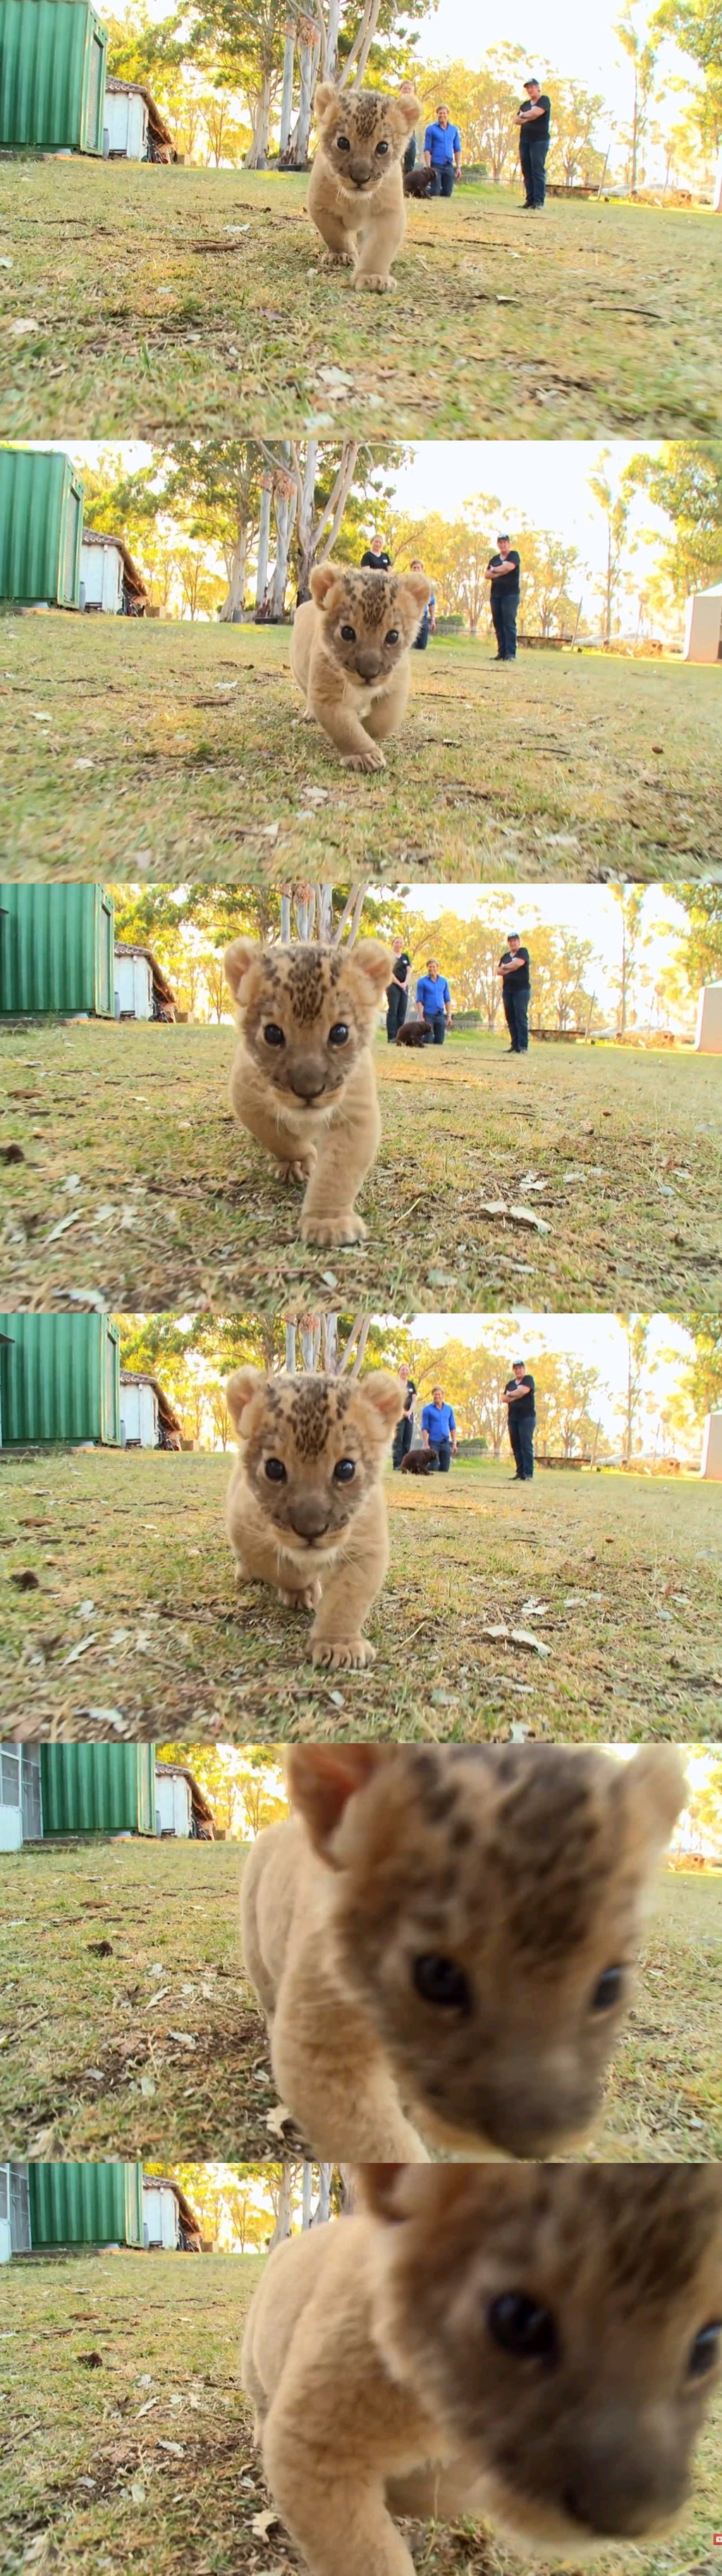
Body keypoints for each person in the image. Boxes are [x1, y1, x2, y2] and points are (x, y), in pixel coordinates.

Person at [484, 534, 520, 663]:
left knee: (509, 623)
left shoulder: (514, 556)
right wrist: (499, 570)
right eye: (500, 542)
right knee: (498, 623)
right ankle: (502, 652)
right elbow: (487, 574)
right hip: (496, 595)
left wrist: (496, 570)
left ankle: (511, 653)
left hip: (511, 595)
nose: (503, 544)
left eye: (505, 542)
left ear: (509, 544)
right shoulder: (494, 559)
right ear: (498, 544)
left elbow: (509, 567)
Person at [517, 78, 551, 212]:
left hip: (540, 141)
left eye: (532, 87)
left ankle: (539, 201)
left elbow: (537, 113)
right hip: (525, 140)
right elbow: (516, 120)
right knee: (527, 170)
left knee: (537, 170)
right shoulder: (525, 104)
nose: (530, 90)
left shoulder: (544, 100)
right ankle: (530, 199)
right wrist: (529, 116)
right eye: (528, 88)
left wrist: (525, 115)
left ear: (538, 87)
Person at [497, 931, 531, 1055]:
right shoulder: (505, 956)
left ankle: (523, 1046)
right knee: (510, 1018)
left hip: (522, 990)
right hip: (508, 990)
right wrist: (510, 966)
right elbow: (498, 971)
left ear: (519, 941)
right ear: (508, 943)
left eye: (515, 940)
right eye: (511, 941)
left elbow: (518, 964)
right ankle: (514, 1044)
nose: (513, 943)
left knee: (520, 1017)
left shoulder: (523, 952)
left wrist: (506, 967)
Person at [503, 1360, 537, 1481]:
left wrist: (511, 1394)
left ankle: (528, 1473)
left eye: (520, 1368)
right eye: (516, 1369)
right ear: (514, 1370)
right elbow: (504, 1399)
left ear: (524, 1369)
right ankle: (520, 1472)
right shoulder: (510, 1383)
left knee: (526, 1445)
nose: (518, 1371)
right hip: (513, 1418)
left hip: (527, 1418)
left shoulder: (528, 1379)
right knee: (516, 1446)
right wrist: (516, 1394)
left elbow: (523, 1391)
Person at [423, 103, 461, 197]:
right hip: (436, 165)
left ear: (448, 115)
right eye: (440, 113)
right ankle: (422, 189)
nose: (442, 115)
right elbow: (427, 149)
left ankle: (436, 187)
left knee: (447, 194)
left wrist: (459, 166)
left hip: (449, 166)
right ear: (437, 115)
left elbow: (457, 149)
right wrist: (429, 168)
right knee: (434, 192)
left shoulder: (454, 130)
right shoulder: (431, 129)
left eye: (444, 113)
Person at [421, 1384, 458, 1471]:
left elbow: (452, 1427)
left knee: (445, 1469)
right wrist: (426, 1444)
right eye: (435, 1394)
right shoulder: (427, 1409)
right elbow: (424, 1428)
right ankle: (423, 1468)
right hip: (434, 1442)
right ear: (433, 1396)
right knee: (433, 1467)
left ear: (442, 1395)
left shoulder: (449, 1409)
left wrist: (454, 1443)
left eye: (439, 1394)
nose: (437, 1396)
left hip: (445, 1442)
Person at [415, 957, 452, 1043]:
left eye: (433, 967)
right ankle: (417, 1039)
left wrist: (449, 1015)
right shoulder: (422, 982)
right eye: (430, 967)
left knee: (439, 1041)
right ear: (427, 968)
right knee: (428, 1040)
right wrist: (421, 1017)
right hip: (428, 1015)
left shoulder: (444, 981)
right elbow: (419, 1000)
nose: (431, 969)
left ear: (437, 968)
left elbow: (447, 999)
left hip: (440, 1014)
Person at [386, 936, 411, 1042]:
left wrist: (405, 983)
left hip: (404, 987)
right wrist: (399, 983)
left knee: (402, 1011)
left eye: (400, 943)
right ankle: (392, 1036)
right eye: (397, 942)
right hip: (393, 986)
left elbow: (409, 971)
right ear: (393, 944)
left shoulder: (405, 957)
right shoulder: (389, 956)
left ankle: (400, 1036)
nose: (399, 945)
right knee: (393, 1011)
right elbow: (389, 972)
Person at [409, 556, 436, 649]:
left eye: (418, 568)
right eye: (414, 568)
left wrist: (433, 619)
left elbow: (432, 603)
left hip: (422, 617)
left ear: (422, 570)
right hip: (409, 617)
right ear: (411, 569)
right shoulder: (405, 583)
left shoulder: (428, 585)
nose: (416, 570)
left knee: (422, 646)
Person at [392, 1371, 417, 1468]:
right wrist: (402, 1412)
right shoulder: (395, 1384)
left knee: (407, 1439)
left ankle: (406, 1464)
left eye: (407, 1370)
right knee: (398, 1440)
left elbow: (414, 1400)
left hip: (409, 1416)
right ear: (399, 1372)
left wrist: (410, 1411)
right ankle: (397, 1464)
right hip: (398, 1414)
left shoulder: (411, 1385)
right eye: (403, 1369)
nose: (405, 1372)